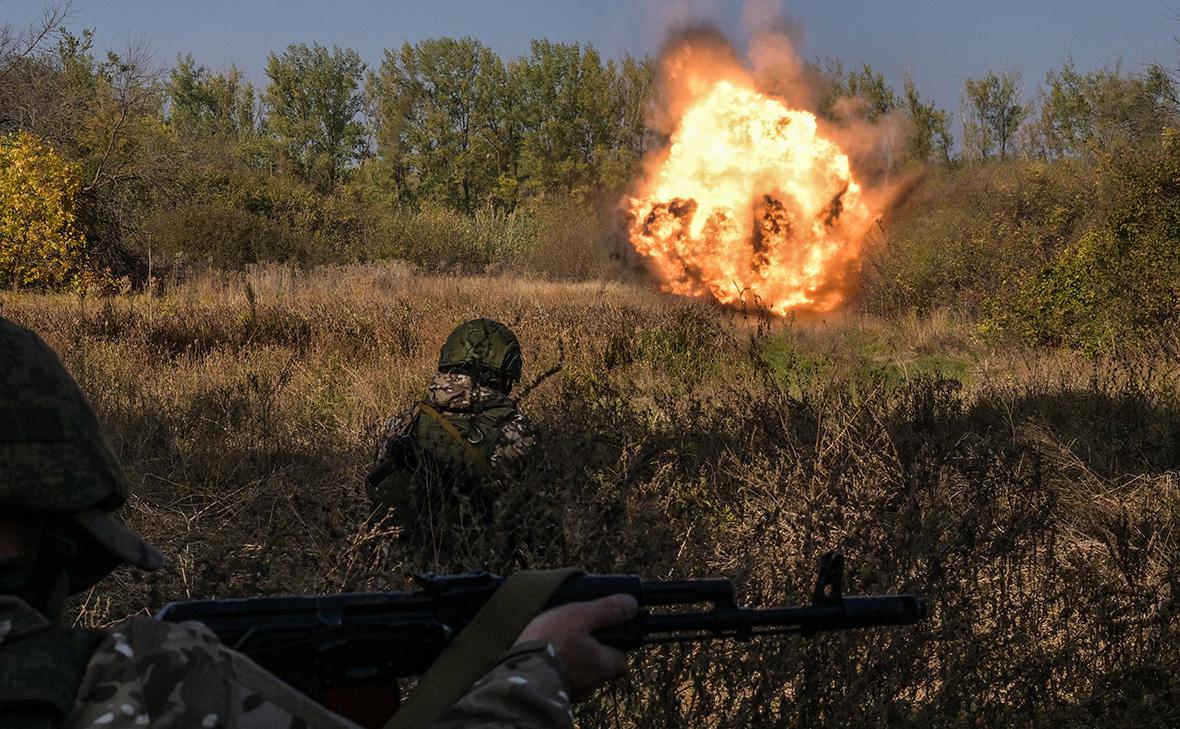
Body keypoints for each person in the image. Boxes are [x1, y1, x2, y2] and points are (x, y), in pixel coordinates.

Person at [0, 316, 635, 729]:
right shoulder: (131, 683)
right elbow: (531, 498)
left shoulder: (408, 418)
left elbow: (378, 485)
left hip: (399, 547)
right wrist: (536, 675)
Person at [367, 319, 536, 553]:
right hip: (474, 574)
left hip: (392, 573)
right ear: (501, 374)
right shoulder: (514, 430)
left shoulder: (406, 420)